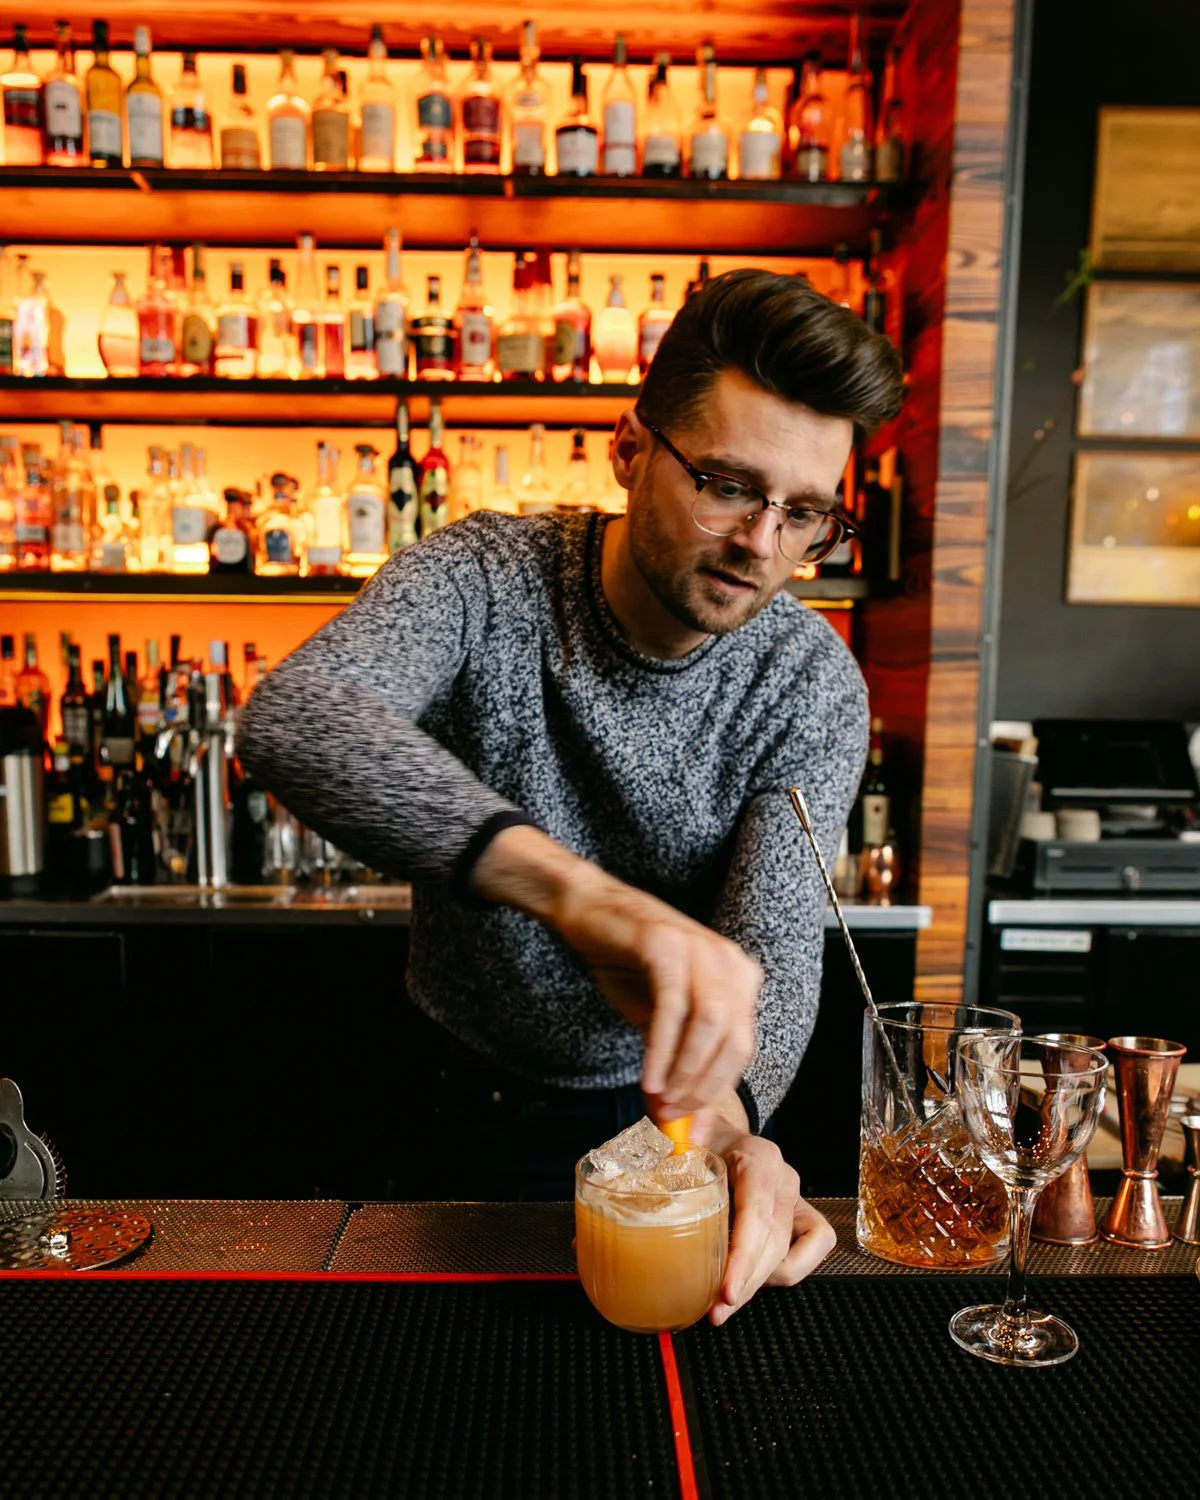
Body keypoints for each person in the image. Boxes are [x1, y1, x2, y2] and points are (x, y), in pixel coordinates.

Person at [237, 269, 903, 1323]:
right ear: (630, 448)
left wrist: (732, 1121)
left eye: (805, 513)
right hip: (448, 1098)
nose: (761, 544)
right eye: (728, 486)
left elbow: (775, 948)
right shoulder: (485, 578)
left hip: (662, 1129)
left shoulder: (809, 681)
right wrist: (583, 899)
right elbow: (299, 717)